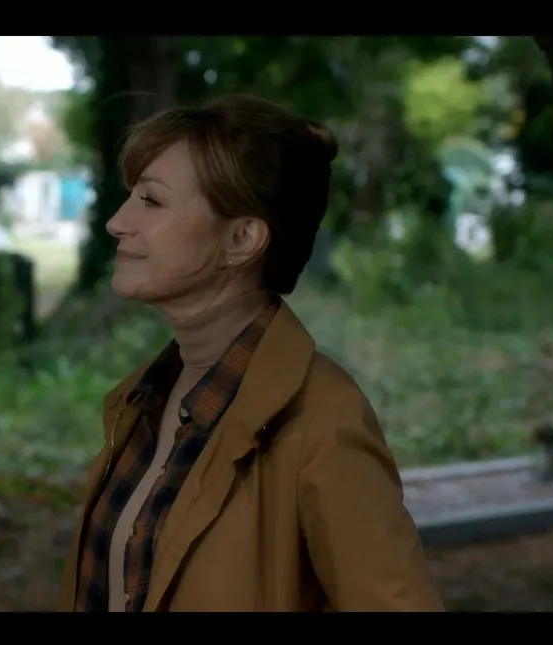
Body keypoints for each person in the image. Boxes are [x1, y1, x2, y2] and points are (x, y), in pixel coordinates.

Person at [55, 94, 444, 612]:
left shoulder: (322, 421)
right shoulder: (140, 401)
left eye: (151, 201)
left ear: (241, 238)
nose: (117, 222)